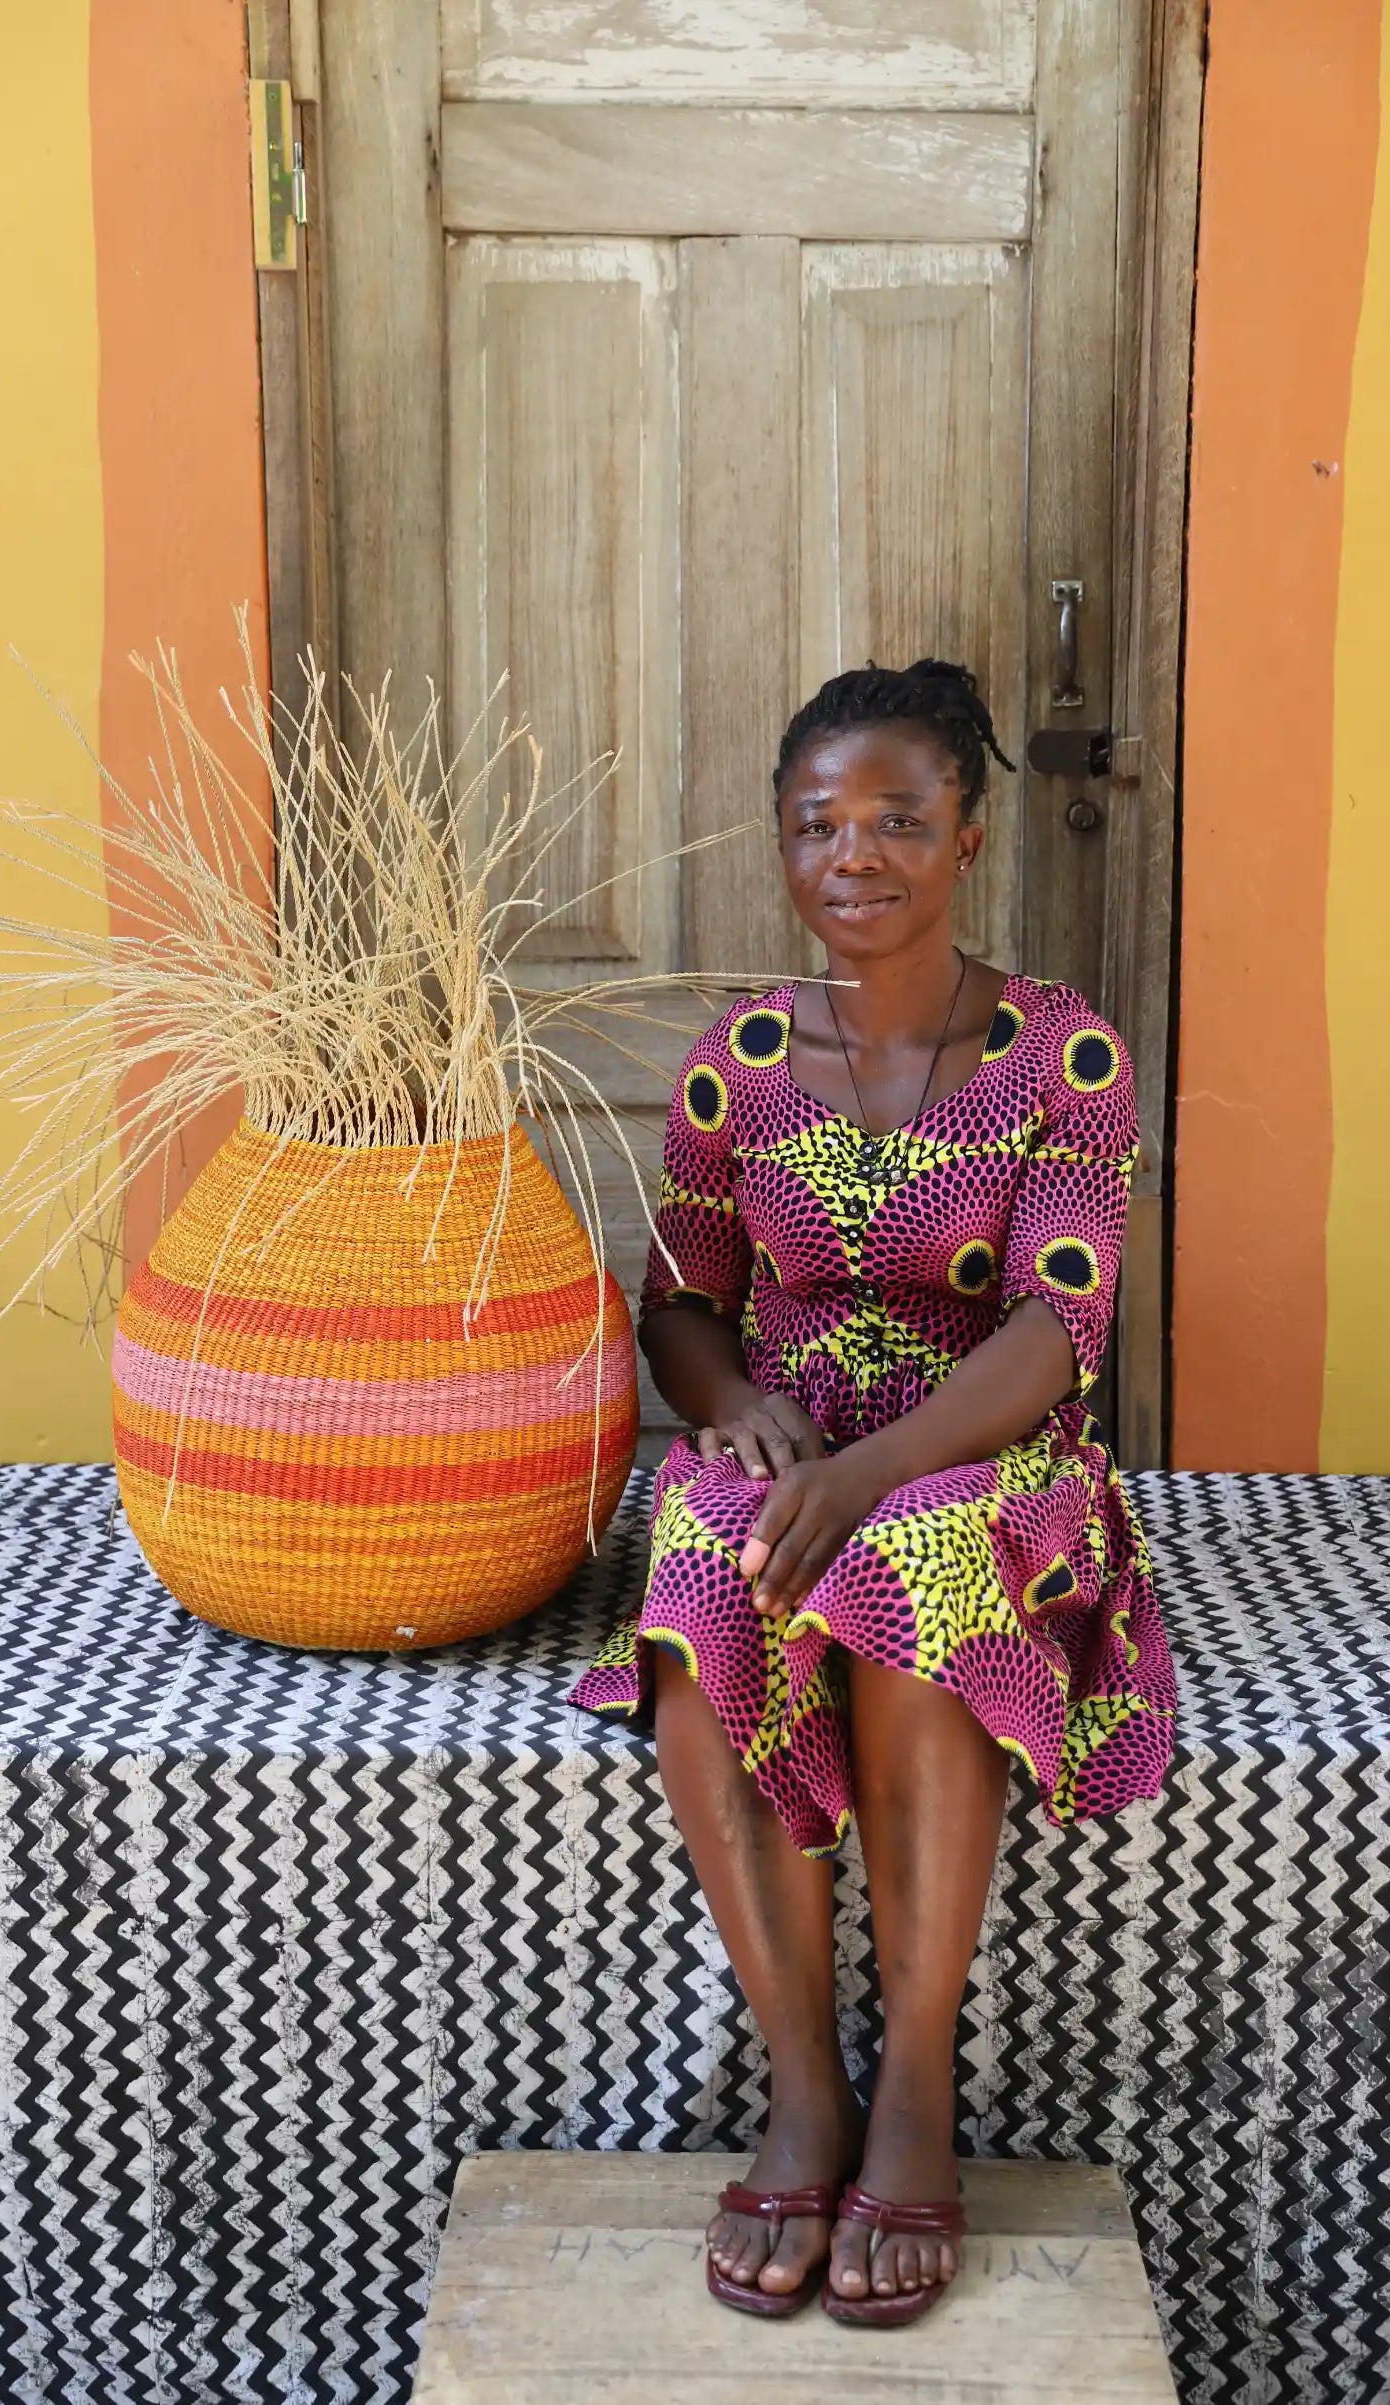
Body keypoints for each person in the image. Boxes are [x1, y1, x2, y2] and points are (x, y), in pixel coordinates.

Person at [570, 659, 1177, 2328]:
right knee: (705, 1559)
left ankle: (916, 2080)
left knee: (911, 1564)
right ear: (783, 845)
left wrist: (863, 1477)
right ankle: (803, 2086)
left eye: (899, 819)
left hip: (989, 1455)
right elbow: (681, 1304)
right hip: (803, 1437)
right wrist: (742, 1408)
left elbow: (1057, 1327)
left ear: (969, 836)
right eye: (818, 824)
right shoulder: (741, 1059)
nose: (856, 854)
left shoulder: (1066, 1052)